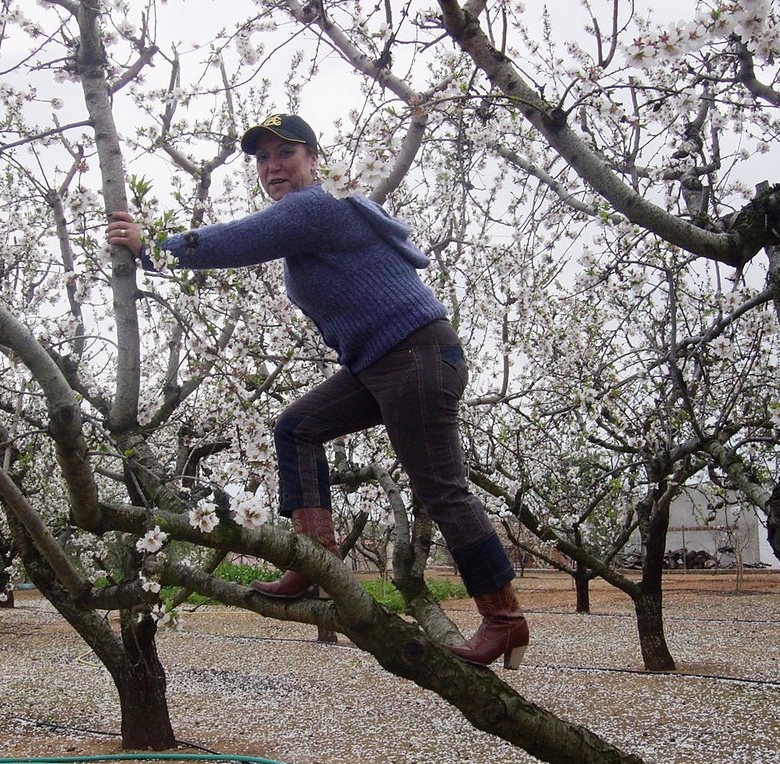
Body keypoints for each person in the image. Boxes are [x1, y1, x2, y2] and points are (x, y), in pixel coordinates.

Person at [107, 113, 529, 669]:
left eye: (285, 154)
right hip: (381, 363)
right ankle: (316, 560)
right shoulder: (316, 213)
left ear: (313, 159)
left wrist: (154, 247)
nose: (272, 167)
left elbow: (242, 238)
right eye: (262, 158)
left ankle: (504, 619)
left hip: (414, 354)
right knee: (296, 427)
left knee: (441, 488)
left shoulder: (315, 205)